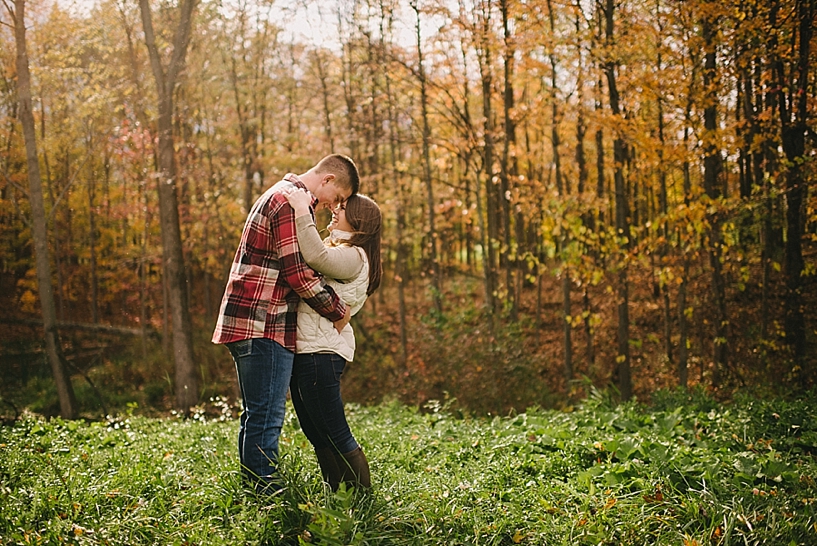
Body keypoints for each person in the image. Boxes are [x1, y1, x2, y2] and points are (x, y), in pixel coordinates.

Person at [212, 154, 360, 496]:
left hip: (258, 319)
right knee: (265, 418)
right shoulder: (290, 202)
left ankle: (256, 490)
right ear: (327, 180)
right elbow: (298, 274)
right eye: (336, 198)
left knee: (258, 415)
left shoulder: (283, 195)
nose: (331, 206)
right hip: (263, 319)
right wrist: (338, 309)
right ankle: (266, 497)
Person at [283, 188, 382, 491]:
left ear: (359, 222)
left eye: (342, 209)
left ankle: (363, 500)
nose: (335, 211)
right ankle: (336, 495)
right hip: (308, 349)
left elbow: (315, 255)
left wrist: (302, 210)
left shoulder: (353, 256)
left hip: (321, 353)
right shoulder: (343, 250)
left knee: (336, 431)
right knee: (316, 432)